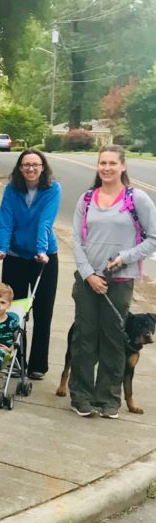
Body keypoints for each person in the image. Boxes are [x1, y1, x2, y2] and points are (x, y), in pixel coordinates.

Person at [69, 144, 156, 418]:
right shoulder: (86, 199)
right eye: (102, 163)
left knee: (113, 339)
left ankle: (107, 399)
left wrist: (126, 256)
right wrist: (89, 274)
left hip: (120, 280)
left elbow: (153, 238)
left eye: (112, 163)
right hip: (88, 280)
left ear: (123, 166)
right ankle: (81, 396)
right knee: (85, 338)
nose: (106, 168)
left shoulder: (137, 198)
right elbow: (76, 240)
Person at [0, 149, 61, 380]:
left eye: (35, 164)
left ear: (43, 168)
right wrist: (2, 247)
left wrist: (41, 250)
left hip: (44, 259)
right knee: (13, 312)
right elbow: (6, 220)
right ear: (20, 168)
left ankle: (37, 365)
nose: (31, 168)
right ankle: (15, 361)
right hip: (15, 256)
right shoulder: (11, 190)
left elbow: (45, 221)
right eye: (26, 165)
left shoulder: (52, 189)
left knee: (43, 312)